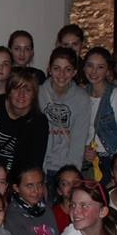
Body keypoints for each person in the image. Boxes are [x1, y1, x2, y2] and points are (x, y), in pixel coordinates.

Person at [38, 47, 91, 197]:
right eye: (57, 68)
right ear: (49, 70)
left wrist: (71, 178)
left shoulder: (81, 99)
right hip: (41, 167)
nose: (62, 75)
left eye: (67, 69)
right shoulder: (38, 94)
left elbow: (78, 141)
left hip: (66, 169)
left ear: (74, 72)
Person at [0, 68, 49, 175]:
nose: (21, 94)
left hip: (17, 175)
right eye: (16, 88)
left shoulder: (39, 122)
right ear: (9, 91)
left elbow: (35, 162)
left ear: (34, 95)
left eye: (27, 90)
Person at [82, 47, 117, 179]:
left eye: (100, 67)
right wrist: (82, 150)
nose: (94, 71)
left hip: (109, 160)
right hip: (85, 161)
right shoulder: (81, 94)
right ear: (84, 67)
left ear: (108, 70)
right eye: (90, 65)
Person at [52, 164, 82, 233]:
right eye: (65, 184)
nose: (72, 186)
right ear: (59, 190)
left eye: (75, 182)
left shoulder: (88, 210)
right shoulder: (53, 215)